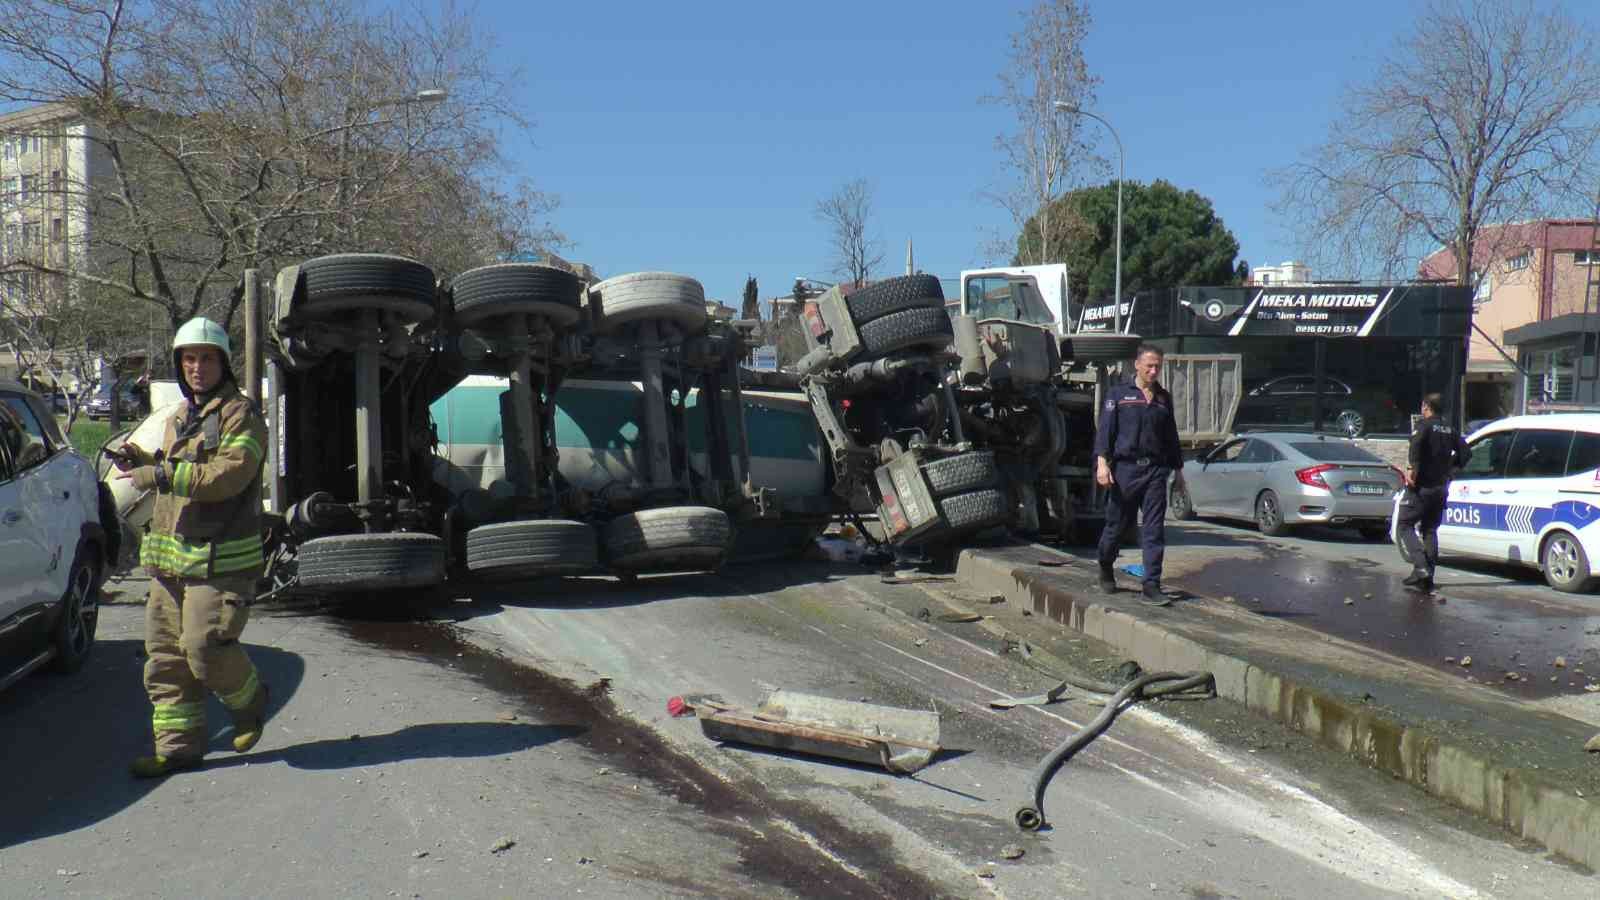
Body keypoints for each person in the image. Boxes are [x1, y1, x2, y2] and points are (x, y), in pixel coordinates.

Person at [111, 317, 270, 778]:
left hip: (220, 563)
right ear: (180, 366)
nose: (197, 367)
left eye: (206, 358)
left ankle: (251, 700)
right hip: (169, 562)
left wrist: (158, 475)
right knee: (165, 661)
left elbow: (226, 477)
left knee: (204, 648)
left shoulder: (243, 415)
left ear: (222, 363)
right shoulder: (181, 415)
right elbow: (172, 468)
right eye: (188, 359)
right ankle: (178, 749)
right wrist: (143, 462)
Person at [1093, 344, 1183, 607]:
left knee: (1154, 530)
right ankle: (1105, 565)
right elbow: (1105, 432)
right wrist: (1102, 464)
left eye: (1157, 366)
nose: (1153, 371)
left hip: (1155, 471)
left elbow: (1171, 438)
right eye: (1149, 365)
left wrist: (1179, 473)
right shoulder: (1119, 394)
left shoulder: (1163, 398)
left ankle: (1151, 584)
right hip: (1125, 470)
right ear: (1137, 364)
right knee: (1116, 527)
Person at [1397, 392, 1470, 592]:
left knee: (1404, 524)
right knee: (1429, 530)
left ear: (1426, 406)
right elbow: (1466, 453)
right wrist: (1450, 469)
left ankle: (1420, 566)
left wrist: (1413, 469)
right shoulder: (1450, 429)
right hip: (1440, 487)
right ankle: (1427, 579)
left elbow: (1416, 447)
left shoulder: (1423, 426)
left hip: (1422, 487)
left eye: (1423, 406)